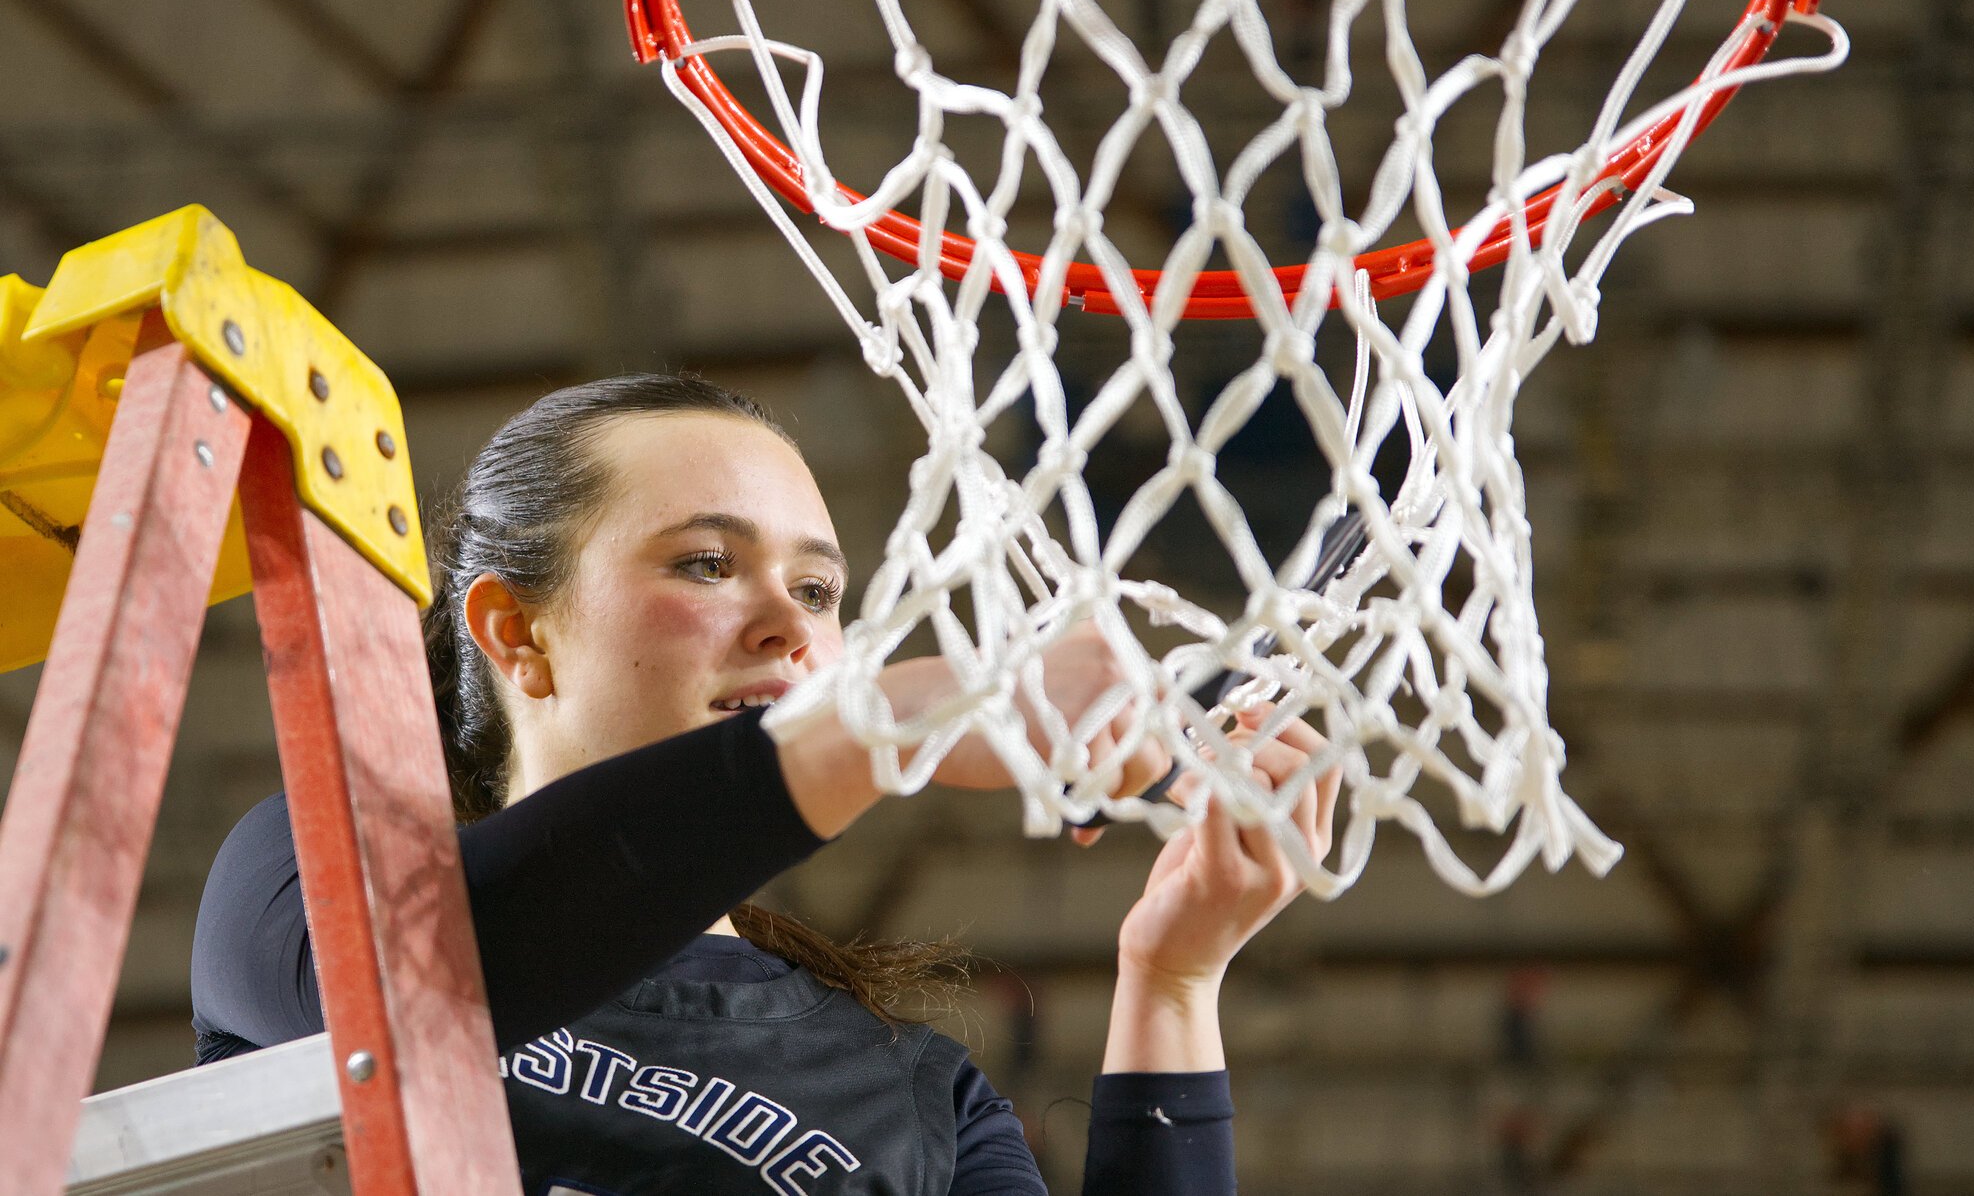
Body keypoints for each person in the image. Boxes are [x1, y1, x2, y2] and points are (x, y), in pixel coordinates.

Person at [191, 373, 1338, 1195]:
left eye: (821, 587)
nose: (791, 624)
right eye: (706, 563)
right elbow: (412, 987)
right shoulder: (304, 864)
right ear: (516, 631)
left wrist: (1174, 983)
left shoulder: (913, 1091)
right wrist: (883, 714)